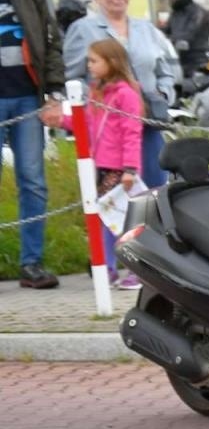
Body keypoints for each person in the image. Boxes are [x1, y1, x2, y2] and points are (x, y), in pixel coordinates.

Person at [64, 0, 177, 190]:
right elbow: (72, 77)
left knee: (156, 188)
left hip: (148, 123)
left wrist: (162, 95)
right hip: (110, 129)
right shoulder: (83, 29)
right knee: (117, 196)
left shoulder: (146, 28)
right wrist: (98, 102)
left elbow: (165, 72)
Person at [0, 0, 66, 289]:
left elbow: (52, 43)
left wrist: (54, 94)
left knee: (34, 183)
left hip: (27, 97)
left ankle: (32, 263)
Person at [84, 38, 146, 290]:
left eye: (93, 60)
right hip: (99, 164)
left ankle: (137, 270)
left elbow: (132, 131)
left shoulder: (126, 94)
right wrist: (65, 119)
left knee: (120, 220)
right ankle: (106, 268)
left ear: (111, 62)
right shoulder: (96, 92)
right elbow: (88, 124)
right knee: (101, 217)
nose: (89, 65)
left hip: (119, 168)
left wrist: (130, 168)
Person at [161, 0, 209, 81]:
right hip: (177, 61)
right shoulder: (175, 13)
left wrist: (172, 40)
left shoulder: (199, 13)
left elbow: (187, 35)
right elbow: (165, 31)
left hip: (197, 63)